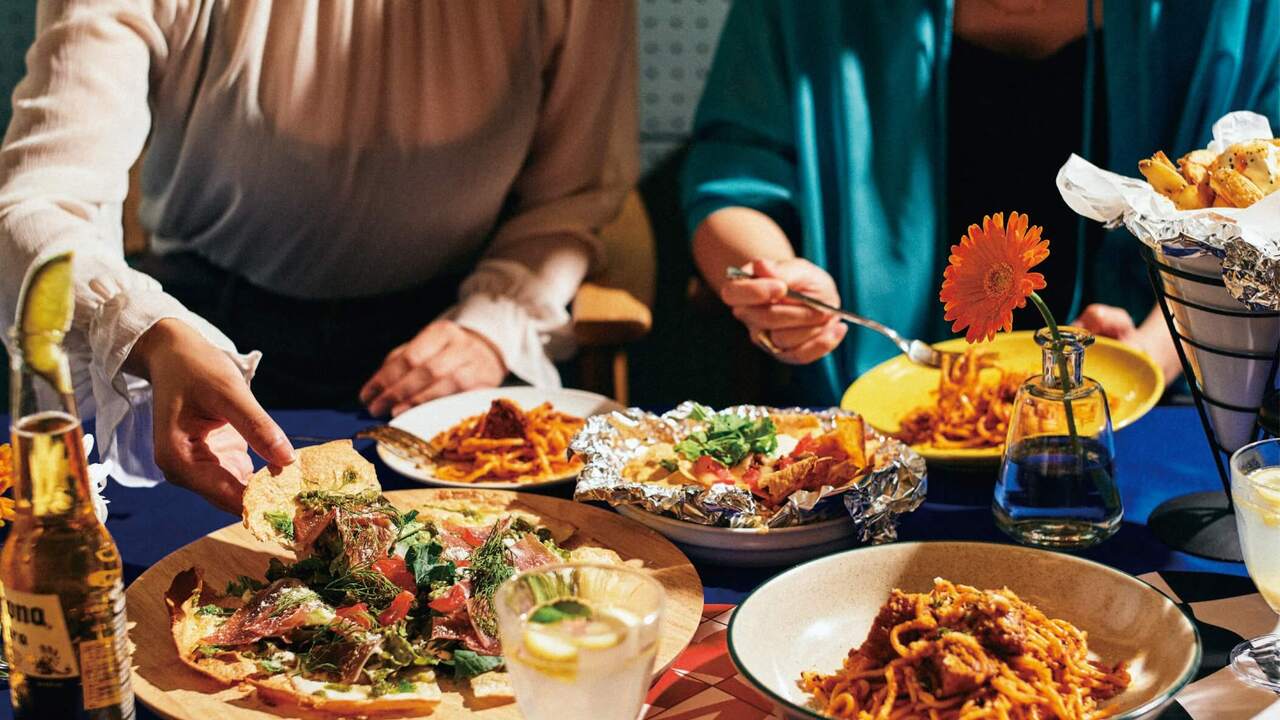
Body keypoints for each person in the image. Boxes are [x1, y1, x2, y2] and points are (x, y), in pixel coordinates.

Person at [0, 1, 637, 512]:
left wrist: (497, 324)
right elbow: (37, 201)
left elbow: (571, 195)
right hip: (196, 353)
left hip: (448, 351)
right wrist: (141, 327)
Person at [684, 0, 1279, 406]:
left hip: (1174, 408)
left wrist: (1148, 357)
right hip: (868, 413)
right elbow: (733, 174)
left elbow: (1268, 213)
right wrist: (775, 279)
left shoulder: (1238, 14)